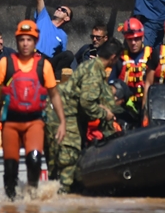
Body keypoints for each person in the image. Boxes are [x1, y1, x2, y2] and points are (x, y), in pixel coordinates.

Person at [0, 20, 66, 200]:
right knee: (11, 168)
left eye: (29, 40)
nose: (25, 44)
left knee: (34, 160)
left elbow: (54, 95)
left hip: (34, 122)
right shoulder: (6, 64)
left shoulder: (44, 66)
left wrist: (62, 121)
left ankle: (31, 197)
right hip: (11, 122)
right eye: (22, 40)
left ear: (36, 41)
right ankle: (10, 203)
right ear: (17, 41)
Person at [48, 40, 122, 193]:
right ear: (113, 57)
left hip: (65, 113)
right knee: (68, 158)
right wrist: (105, 114)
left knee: (62, 159)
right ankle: (62, 197)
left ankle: (59, 194)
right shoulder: (94, 71)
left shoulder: (91, 66)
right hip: (65, 114)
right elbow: (87, 103)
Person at [32, 0, 74, 78]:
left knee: (69, 56)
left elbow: (61, 55)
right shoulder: (43, 18)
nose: (59, 9)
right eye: (59, 8)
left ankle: (54, 79)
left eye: (63, 10)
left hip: (48, 62)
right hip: (35, 58)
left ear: (67, 19)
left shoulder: (62, 35)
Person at [108, 17, 152, 126]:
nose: (133, 43)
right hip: (126, 106)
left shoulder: (152, 56)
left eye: (136, 39)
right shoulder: (120, 58)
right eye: (130, 39)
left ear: (142, 38)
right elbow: (111, 83)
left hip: (149, 104)